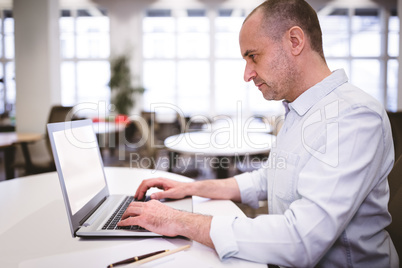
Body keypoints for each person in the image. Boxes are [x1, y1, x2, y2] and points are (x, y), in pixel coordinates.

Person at [118, 0, 399, 266]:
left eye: (253, 56)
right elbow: (267, 179)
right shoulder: (302, 109)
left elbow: (300, 241)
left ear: (295, 41)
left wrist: (179, 220)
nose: (247, 74)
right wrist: (191, 188)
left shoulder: (355, 117)